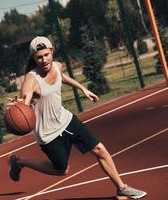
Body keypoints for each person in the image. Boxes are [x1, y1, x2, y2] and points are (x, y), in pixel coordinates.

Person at [8, 36, 147, 199]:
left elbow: (63, 77)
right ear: (34, 58)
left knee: (100, 149)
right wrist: (20, 105)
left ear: (52, 52)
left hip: (67, 121)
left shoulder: (57, 66)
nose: (44, 59)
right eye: (39, 57)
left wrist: (82, 89)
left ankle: (121, 188)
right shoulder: (31, 80)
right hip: (48, 133)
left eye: (46, 55)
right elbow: (25, 99)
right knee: (61, 170)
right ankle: (19, 162)